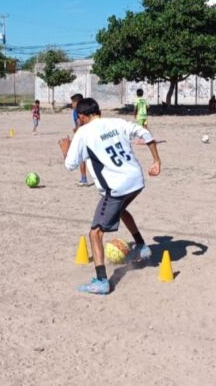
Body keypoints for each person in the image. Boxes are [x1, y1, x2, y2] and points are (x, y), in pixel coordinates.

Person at [58, 98, 162, 295]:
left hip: (116, 187)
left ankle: (101, 281)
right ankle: (141, 246)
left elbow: (69, 165)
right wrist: (156, 160)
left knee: (95, 233)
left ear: (81, 117)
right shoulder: (117, 122)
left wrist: (65, 150)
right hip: (136, 181)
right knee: (121, 211)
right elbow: (145, 133)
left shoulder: (83, 132)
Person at [70, 93, 90, 186]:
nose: (72, 105)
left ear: (76, 102)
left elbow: (79, 122)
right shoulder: (86, 109)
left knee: (81, 157)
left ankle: (83, 179)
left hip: (83, 136)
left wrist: (77, 133)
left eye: (73, 102)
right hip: (90, 133)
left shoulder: (76, 111)